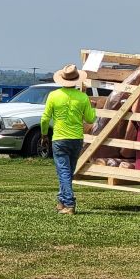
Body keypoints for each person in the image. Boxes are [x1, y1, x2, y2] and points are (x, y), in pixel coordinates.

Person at [39, 64, 96, 215]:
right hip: (76, 138)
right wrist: (93, 108)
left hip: (59, 138)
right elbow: (90, 119)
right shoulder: (83, 97)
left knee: (63, 171)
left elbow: (45, 119)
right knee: (67, 172)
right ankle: (61, 201)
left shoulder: (54, 96)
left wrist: (44, 134)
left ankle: (69, 203)